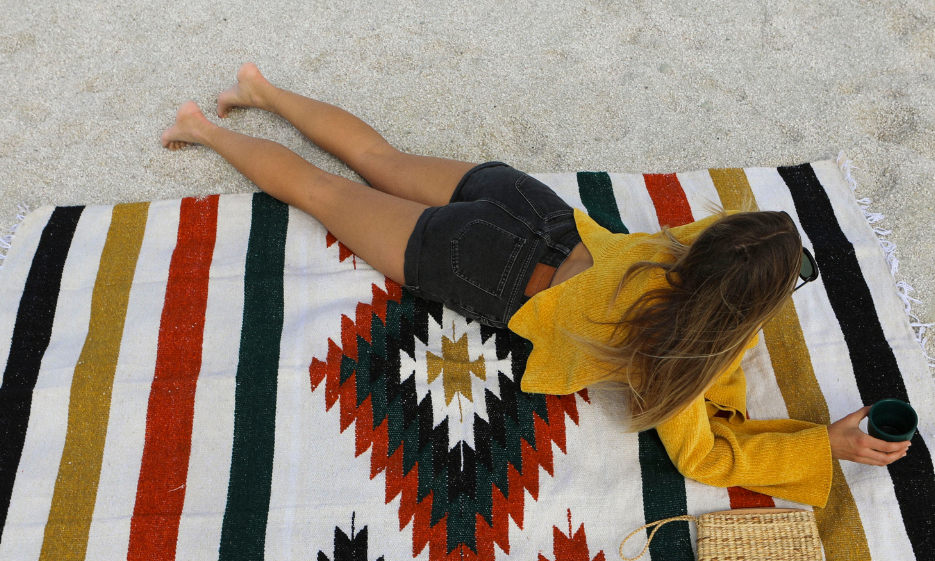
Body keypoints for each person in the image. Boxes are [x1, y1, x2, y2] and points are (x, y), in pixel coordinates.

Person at [162, 64, 910, 507]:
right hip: (480, 264)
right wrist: (822, 447)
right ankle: (204, 128)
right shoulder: (678, 353)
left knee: (374, 155)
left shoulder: (672, 247)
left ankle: (259, 87)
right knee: (322, 196)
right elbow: (703, 457)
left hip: (530, 208)